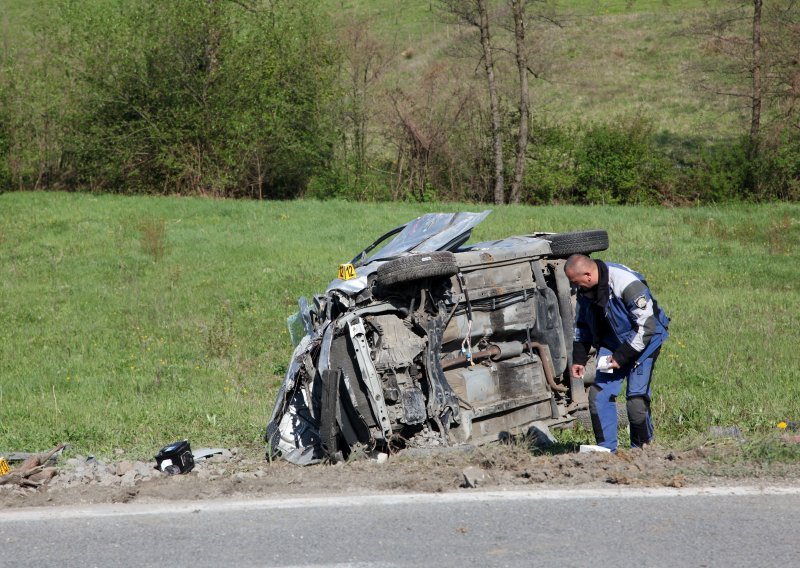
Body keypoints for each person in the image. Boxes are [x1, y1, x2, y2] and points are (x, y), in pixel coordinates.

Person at [564, 254, 669, 452]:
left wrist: (621, 357)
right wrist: (579, 358)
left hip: (645, 342)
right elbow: (582, 325)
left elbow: (647, 326)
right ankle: (606, 451)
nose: (574, 286)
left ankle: (642, 450)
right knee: (599, 395)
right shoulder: (585, 291)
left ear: (588, 275)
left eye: (575, 282)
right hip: (612, 343)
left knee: (636, 401)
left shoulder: (625, 282)